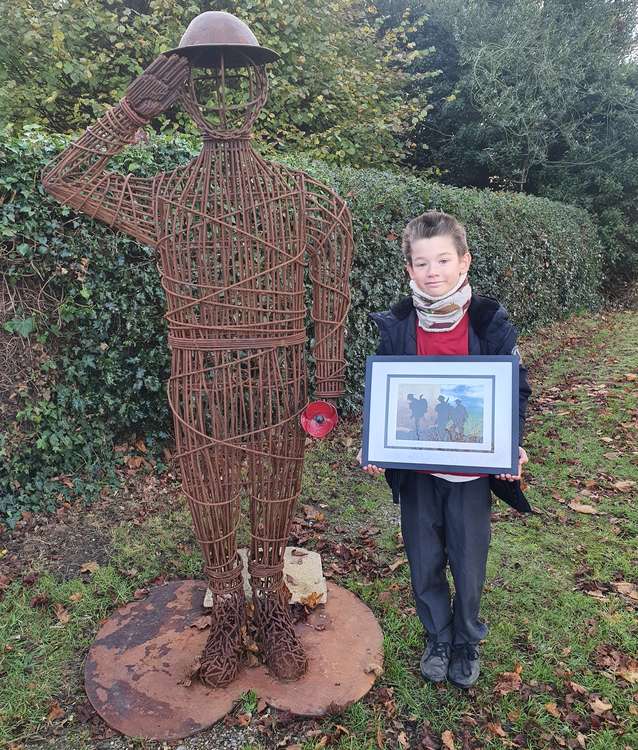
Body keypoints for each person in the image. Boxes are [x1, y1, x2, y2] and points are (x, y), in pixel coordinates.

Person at [360, 210, 531, 689]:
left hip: (471, 473)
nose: (432, 271)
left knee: (468, 557)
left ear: (463, 262)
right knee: (424, 556)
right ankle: (437, 635)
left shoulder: (490, 321)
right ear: (408, 269)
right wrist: (375, 444)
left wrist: (509, 443)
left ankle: (466, 638)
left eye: (442, 260)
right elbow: (384, 395)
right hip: (417, 472)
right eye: (421, 262)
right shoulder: (397, 325)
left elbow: (514, 390)